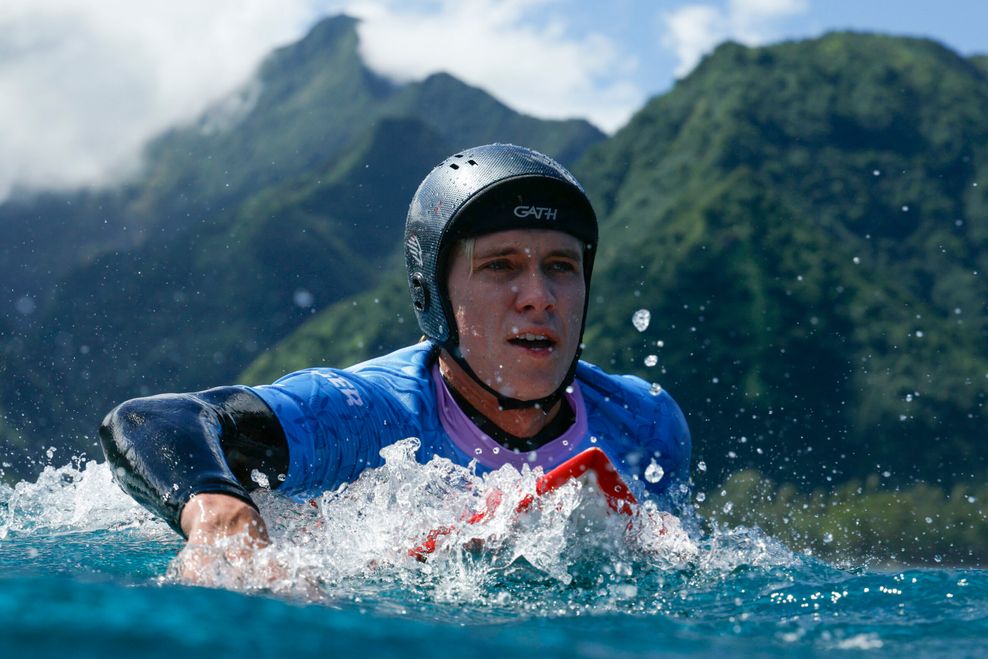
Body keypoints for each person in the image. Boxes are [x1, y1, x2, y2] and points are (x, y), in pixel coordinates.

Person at [99, 143, 692, 555]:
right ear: (432, 294)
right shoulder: (361, 415)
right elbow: (154, 419)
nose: (539, 296)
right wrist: (220, 517)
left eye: (561, 266)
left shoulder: (646, 422)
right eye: (500, 266)